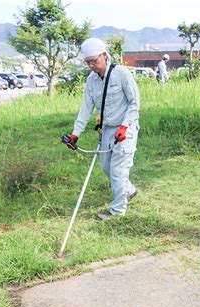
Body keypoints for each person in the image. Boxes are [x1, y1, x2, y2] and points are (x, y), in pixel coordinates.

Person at [64, 37, 140, 221]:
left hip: (125, 129)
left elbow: (134, 103)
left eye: (94, 61)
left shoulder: (122, 74)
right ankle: (129, 190)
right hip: (106, 130)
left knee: (118, 170)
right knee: (106, 167)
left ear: (104, 56)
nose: (91, 65)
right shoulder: (91, 81)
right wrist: (75, 134)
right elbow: (86, 109)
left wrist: (124, 126)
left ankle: (117, 212)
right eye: (88, 62)